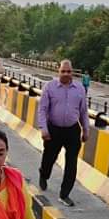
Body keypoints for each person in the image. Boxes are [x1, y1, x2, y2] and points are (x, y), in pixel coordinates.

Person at [37, 59, 89, 207]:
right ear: (58, 71)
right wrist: (43, 129)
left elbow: (83, 112)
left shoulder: (79, 89)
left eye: (69, 71)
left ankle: (64, 194)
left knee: (71, 163)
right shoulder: (50, 87)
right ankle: (44, 173)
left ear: (72, 72)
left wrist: (86, 130)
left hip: (72, 130)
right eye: (63, 71)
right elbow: (42, 109)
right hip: (54, 129)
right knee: (49, 157)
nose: (66, 74)